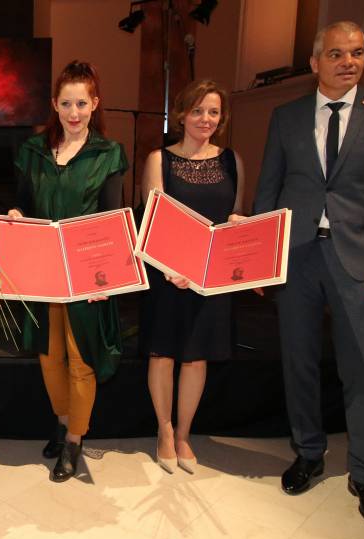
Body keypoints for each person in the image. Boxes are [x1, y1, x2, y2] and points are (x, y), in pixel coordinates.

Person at [252, 21, 364, 530]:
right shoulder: (286, 117)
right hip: (297, 257)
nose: (349, 62)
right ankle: (308, 452)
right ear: (315, 62)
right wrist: (259, 256)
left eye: (358, 53)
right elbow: (268, 188)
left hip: (361, 260)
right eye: (338, 54)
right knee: (299, 361)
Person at [8, 61, 128, 482]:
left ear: (95, 104)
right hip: (42, 270)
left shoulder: (108, 154)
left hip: (85, 272)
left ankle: (74, 440)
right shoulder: (33, 151)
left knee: (81, 359)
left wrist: (105, 276)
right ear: (54, 105)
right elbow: (22, 203)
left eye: (81, 103)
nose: (73, 112)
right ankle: (62, 423)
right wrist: (15, 215)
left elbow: (113, 218)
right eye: (66, 104)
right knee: (48, 355)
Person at [139, 79, 244, 475]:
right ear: (181, 114)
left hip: (211, 276)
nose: (205, 119)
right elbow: (153, 222)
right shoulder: (159, 160)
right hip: (168, 274)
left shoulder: (232, 161)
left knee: (197, 356)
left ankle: (184, 434)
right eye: (198, 110)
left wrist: (240, 227)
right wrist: (173, 268)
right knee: (163, 353)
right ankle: (164, 430)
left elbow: (236, 216)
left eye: (213, 112)